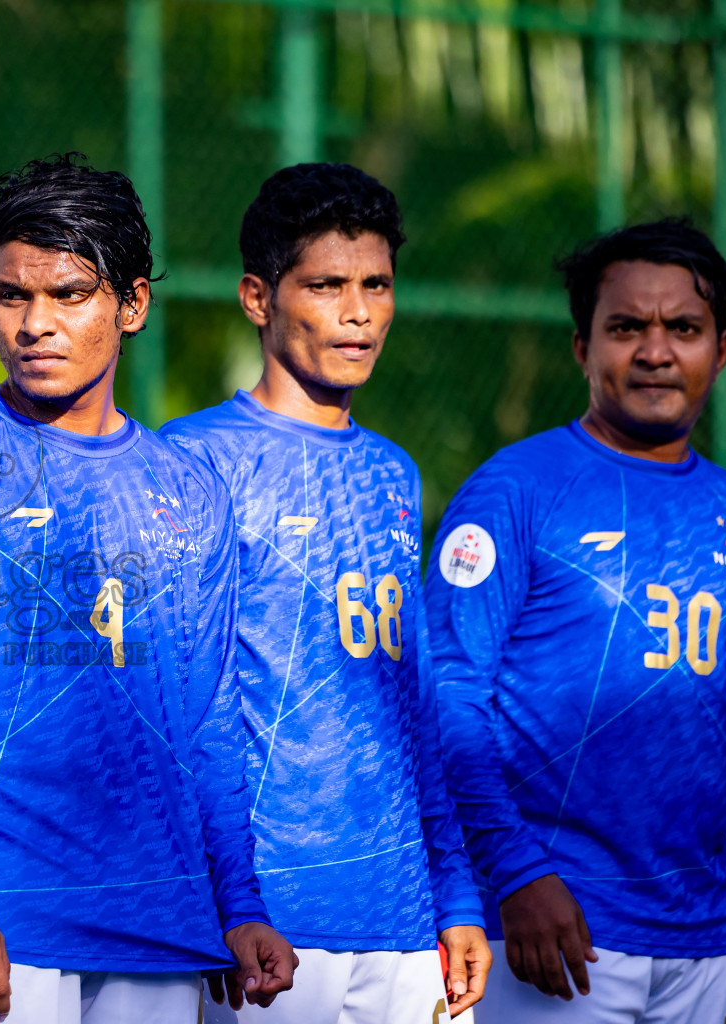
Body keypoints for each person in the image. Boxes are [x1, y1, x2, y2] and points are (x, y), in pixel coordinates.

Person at [0, 154, 297, 1024]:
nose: (34, 324)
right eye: (13, 297)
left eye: (68, 295)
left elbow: (206, 721)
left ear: (131, 305)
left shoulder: (190, 489)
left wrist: (239, 903)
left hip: (160, 936)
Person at [161, 163, 490, 1024]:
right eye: (326, 284)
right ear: (257, 298)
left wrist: (454, 895)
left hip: (403, 922)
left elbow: (414, 704)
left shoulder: (394, 471)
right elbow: (185, 713)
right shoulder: (191, 463)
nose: (356, 311)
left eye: (376, 284)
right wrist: (234, 903)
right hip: (268, 929)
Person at [426, 218, 726, 1023]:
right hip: (557, 933)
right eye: (626, 328)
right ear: (582, 347)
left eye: (683, 328)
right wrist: (516, 876)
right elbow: (445, 696)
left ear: (720, 351)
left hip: (709, 941)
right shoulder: (516, 489)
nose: (654, 351)